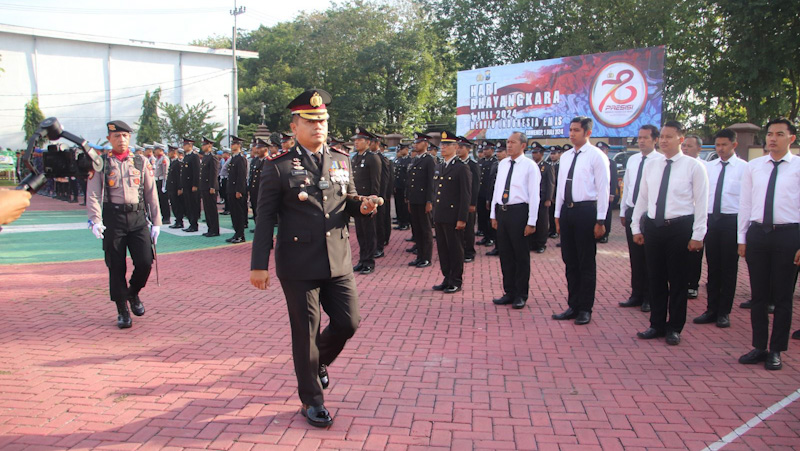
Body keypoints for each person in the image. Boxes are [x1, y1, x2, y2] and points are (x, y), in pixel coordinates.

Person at [250, 88, 379, 427]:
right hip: (298, 264)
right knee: (305, 332)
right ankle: (312, 400)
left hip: (337, 259)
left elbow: (347, 199)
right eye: (310, 121)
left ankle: (317, 362)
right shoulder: (277, 168)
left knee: (349, 322)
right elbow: (264, 218)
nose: (318, 126)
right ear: (295, 127)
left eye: (322, 120)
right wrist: (259, 264)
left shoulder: (340, 159)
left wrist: (362, 206)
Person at [632, 120, 709, 346]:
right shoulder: (652, 165)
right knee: (655, 278)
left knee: (677, 280)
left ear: (680, 139)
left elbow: (702, 203)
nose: (664, 140)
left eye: (669, 136)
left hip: (680, 228)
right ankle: (656, 323)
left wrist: (698, 235)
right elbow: (643, 198)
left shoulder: (694, 166)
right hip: (655, 228)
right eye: (662, 136)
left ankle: (674, 326)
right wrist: (636, 226)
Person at [737, 118, 800, 370]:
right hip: (758, 234)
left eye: (779, 134)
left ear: (791, 139)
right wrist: (742, 238)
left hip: (788, 234)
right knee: (759, 295)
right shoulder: (754, 167)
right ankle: (759, 346)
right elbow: (745, 204)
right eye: (770, 134)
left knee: (783, 297)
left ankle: (776, 349)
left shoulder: (798, 167)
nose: (772, 138)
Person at [86, 120, 161, 329]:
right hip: (113, 219)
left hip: (137, 218)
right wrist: (95, 220)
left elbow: (150, 192)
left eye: (125, 136)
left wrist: (156, 222)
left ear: (130, 138)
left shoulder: (140, 161)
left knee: (145, 261)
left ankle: (133, 293)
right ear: (109, 139)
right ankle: (122, 309)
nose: (121, 140)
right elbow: (92, 193)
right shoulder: (100, 163)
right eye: (117, 136)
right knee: (116, 266)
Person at [552, 117, 610, 325]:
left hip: (586, 212)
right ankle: (573, 305)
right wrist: (557, 215)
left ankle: (585, 308)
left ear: (587, 133)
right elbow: (560, 187)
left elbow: (603, 190)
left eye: (577, 130)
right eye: (571, 130)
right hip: (568, 212)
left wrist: (601, 220)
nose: (572, 133)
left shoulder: (596, 157)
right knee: (570, 260)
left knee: (586, 262)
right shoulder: (566, 156)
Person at [693, 128, 745, 328]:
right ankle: (711, 309)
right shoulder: (709, 167)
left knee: (729, 269)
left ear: (734, 145)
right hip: (711, 221)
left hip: (732, 221)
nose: (721, 149)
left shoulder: (744, 168)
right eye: (718, 145)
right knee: (713, 267)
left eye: (725, 145)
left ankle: (724, 312)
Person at [491, 131, 541, 309]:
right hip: (503, 211)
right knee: (505, 255)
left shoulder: (530, 166)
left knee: (520, 256)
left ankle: (521, 294)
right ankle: (509, 291)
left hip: (519, 212)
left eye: (512, 142)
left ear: (523, 146)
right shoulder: (503, 163)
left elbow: (535, 195)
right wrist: (493, 214)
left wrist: (532, 221)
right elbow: (497, 189)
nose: (509, 145)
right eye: (507, 142)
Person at [619, 125, 664, 313]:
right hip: (632, 210)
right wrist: (623, 210)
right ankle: (636, 293)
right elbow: (628, 186)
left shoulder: (661, 161)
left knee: (650, 257)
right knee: (635, 256)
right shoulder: (633, 160)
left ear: (655, 140)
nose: (641, 141)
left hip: (649, 214)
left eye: (645, 137)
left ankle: (649, 297)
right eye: (639, 137)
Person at [431, 131, 471, 293]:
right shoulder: (440, 165)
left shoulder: (461, 167)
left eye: (447, 145)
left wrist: (462, 218)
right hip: (440, 215)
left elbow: (465, 195)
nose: (443, 148)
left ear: (456, 147)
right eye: (442, 145)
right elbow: (436, 192)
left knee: (455, 249)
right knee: (443, 249)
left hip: (453, 216)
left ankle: (456, 280)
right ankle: (446, 277)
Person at [350, 127, 382, 274]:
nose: (356, 142)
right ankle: (362, 260)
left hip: (368, 201)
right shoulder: (355, 157)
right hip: (358, 201)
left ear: (368, 142)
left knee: (369, 233)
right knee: (360, 233)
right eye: (355, 140)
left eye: (360, 140)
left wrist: (374, 201)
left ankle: (369, 262)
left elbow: (376, 182)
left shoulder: (372, 158)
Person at [406, 132, 435, 268]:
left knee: (425, 229)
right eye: (415, 142)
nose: (415, 145)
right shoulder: (415, 159)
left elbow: (431, 183)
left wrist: (429, 201)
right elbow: (411, 181)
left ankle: (426, 258)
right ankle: (419, 256)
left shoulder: (429, 160)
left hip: (424, 200)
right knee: (417, 229)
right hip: (415, 200)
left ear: (426, 144)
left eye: (418, 142)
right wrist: (409, 199)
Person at [682, 135, 704, 299]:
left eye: (689, 146)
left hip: (698, 216)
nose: (685, 148)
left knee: (695, 253)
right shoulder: (677, 166)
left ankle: (692, 284)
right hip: (682, 218)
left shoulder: (703, 167)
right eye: (684, 145)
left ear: (699, 149)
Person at [457, 136, 481, 262]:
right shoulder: (457, 164)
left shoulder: (472, 165)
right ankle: (460, 251)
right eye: (457, 147)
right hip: (457, 202)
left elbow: (475, 185)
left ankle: (469, 252)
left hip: (468, 202)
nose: (458, 150)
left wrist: (472, 203)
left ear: (468, 149)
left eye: (461, 148)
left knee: (468, 228)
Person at [528, 142, 554, 253]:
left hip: (542, 198)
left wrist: (549, 198)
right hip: (530, 198)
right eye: (533, 152)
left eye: (536, 152)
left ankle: (541, 243)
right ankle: (532, 242)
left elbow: (551, 183)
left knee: (542, 221)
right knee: (531, 220)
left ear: (542, 154)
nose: (534, 155)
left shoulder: (547, 167)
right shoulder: (530, 165)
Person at [485, 143, 508, 256]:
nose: (498, 154)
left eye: (501, 151)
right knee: (495, 225)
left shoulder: (509, 165)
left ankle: (504, 248)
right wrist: (489, 199)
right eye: (497, 152)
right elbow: (491, 184)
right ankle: (497, 247)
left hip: (506, 201)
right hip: (495, 198)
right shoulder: (495, 164)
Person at [374, 134, 393, 258]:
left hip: (380, 196)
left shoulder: (381, 158)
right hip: (370, 196)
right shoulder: (368, 157)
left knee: (379, 222)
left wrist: (384, 195)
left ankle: (380, 246)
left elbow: (386, 178)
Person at [226, 136, 248, 243]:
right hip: (231, 189)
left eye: (234, 144)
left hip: (237, 190)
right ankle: (236, 233)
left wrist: (239, 190)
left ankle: (240, 235)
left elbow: (241, 176)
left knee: (238, 213)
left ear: (239, 145)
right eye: (231, 144)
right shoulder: (233, 158)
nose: (232, 146)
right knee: (233, 213)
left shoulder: (241, 159)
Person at [596, 141, 618, 243]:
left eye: (603, 149)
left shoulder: (611, 163)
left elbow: (613, 179)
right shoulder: (594, 161)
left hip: (606, 193)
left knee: (606, 214)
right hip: (595, 194)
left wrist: (612, 193)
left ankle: (605, 234)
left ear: (607, 151)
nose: (601, 151)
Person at [200, 137, 221, 237]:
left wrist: (212, 186)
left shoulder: (213, 157)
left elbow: (214, 173)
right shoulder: (205, 157)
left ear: (209, 145)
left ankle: (215, 229)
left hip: (210, 186)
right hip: (204, 186)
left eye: (204, 145)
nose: (202, 147)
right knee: (207, 209)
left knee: (212, 209)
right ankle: (210, 228)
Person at [477, 141, 497, 245]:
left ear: (492, 150)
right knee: (482, 216)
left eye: (487, 149)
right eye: (483, 149)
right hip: (480, 193)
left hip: (489, 194)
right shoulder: (481, 162)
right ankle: (485, 235)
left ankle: (491, 237)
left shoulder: (495, 162)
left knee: (489, 216)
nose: (484, 151)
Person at [180, 138, 201, 232]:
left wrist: (195, 185)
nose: (184, 147)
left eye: (185, 145)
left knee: (193, 205)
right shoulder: (186, 157)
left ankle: (194, 224)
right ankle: (191, 223)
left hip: (192, 185)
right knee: (188, 205)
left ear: (190, 145)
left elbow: (196, 172)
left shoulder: (194, 156)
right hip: (186, 185)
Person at [248, 139, 266, 233]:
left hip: (263, 191)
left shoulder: (269, 161)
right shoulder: (255, 160)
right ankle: (257, 226)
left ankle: (262, 229)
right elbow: (252, 175)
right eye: (257, 148)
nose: (257, 150)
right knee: (255, 209)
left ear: (265, 149)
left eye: (260, 148)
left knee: (263, 212)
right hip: (254, 190)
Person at [393, 143, 412, 230]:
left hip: (404, 186)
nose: (400, 151)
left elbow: (408, 175)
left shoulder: (409, 160)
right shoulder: (399, 160)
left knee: (404, 206)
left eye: (402, 149)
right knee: (399, 204)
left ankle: (405, 223)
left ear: (407, 150)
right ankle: (400, 221)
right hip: (398, 186)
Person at [166, 146, 185, 229]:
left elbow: (179, 177)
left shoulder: (178, 163)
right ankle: (177, 221)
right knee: (174, 205)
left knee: (177, 205)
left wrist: (180, 188)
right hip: (171, 187)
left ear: (174, 153)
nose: (168, 153)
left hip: (175, 188)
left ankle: (179, 221)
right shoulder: (172, 162)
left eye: (170, 152)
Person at [153, 143, 171, 224]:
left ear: (161, 150)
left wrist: (165, 184)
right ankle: (163, 216)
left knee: (164, 200)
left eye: (156, 150)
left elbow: (165, 173)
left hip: (162, 181)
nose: (155, 152)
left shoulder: (164, 159)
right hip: (157, 180)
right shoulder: (158, 159)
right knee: (160, 200)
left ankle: (166, 217)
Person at [547, 145, 562, 238]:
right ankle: (552, 229)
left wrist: (556, 195)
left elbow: (559, 182)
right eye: (551, 154)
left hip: (557, 194)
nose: (552, 156)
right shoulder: (549, 165)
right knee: (550, 213)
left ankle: (557, 230)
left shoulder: (561, 165)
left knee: (557, 213)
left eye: (554, 154)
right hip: (551, 193)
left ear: (559, 154)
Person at [219, 149, 231, 214]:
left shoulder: (230, 160)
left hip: (227, 178)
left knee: (227, 195)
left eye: (224, 153)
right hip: (223, 178)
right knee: (224, 194)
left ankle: (228, 209)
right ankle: (226, 207)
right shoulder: (224, 160)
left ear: (227, 154)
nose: (223, 155)